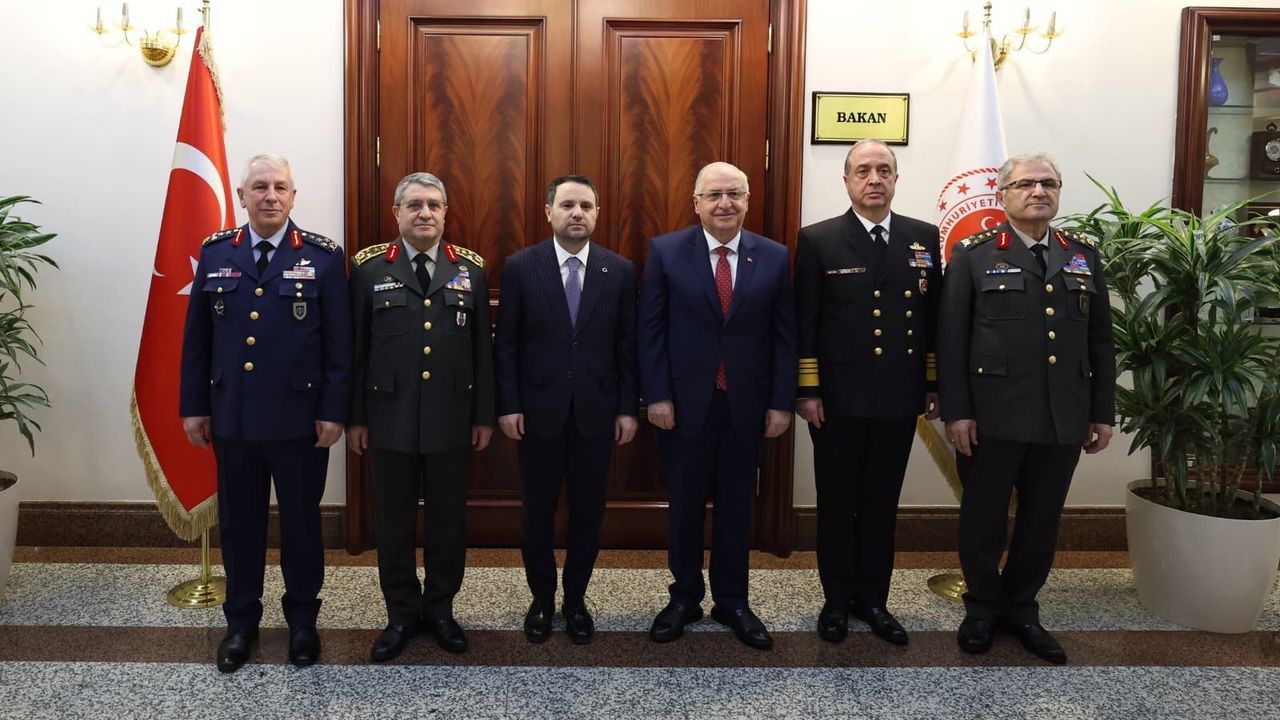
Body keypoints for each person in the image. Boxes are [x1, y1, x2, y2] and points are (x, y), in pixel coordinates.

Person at [938, 152, 1115, 664]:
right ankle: (980, 609)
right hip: (992, 416)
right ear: (1002, 195)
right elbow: (952, 341)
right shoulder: (973, 255)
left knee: (1042, 520)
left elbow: (1100, 342)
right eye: (1026, 184)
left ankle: (1021, 609)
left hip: (1063, 415)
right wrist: (957, 412)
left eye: (1048, 183)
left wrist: (1101, 412)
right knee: (983, 519)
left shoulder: (1082, 255)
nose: (1038, 191)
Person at [179, 153, 351, 673]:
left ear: (293, 197)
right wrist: (194, 407)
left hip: (300, 421)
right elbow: (197, 341)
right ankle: (240, 623)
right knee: (239, 525)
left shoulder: (322, 256)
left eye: (280, 187)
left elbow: (339, 345)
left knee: (301, 523)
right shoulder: (216, 253)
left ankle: (302, 622)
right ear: (242, 196)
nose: (270, 195)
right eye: (259, 187)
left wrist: (333, 410)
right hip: (233, 418)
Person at [638, 161, 796, 651]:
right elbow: (651, 330)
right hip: (684, 406)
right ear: (697, 203)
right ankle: (684, 597)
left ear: (748, 200)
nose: (725, 203)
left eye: (734, 194)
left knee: (736, 508)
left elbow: (784, 336)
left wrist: (781, 403)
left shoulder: (773, 256)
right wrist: (656, 395)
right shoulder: (666, 251)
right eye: (714, 195)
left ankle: (732, 601)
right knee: (684, 507)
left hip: (746, 406)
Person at [793, 140, 942, 646]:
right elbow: (806, 322)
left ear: (896, 178)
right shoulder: (818, 239)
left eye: (884, 169)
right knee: (837, 505)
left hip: (899, 398)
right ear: (847, 180)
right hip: (836, 400)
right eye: (863, 170)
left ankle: (874, 600)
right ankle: (836, 601)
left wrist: (931, 382)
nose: (874, 178)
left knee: (882, 504)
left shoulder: (923, 237)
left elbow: (931, 318)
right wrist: (807, 389)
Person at [347, 172, 495, 660]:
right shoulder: (368, 269)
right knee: (393, 523)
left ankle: (441, 610)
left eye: (434, 204)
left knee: (448, 522)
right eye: (414, 205)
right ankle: (401, 614)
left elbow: (482, 353)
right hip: (387, 419)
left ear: (446, 211)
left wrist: (483, 416)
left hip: (452, 419)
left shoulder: (470, 270)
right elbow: (356, 352)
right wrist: (355, 418)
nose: (425, 213)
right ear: (397, 213)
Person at [494, 175, 639, 645]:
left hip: (597, 415)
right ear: (548, 212)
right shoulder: (521, 266)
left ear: (597, 214)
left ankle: (575, 600)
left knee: (588, 514)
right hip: (537, 413)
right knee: (536, 513)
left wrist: (627, 409)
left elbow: (627, 346)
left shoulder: (619, 270)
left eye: (587, 206)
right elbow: (506, 344)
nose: (578, 213)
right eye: (568, 205)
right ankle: (541, 599)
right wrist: (509, 404)